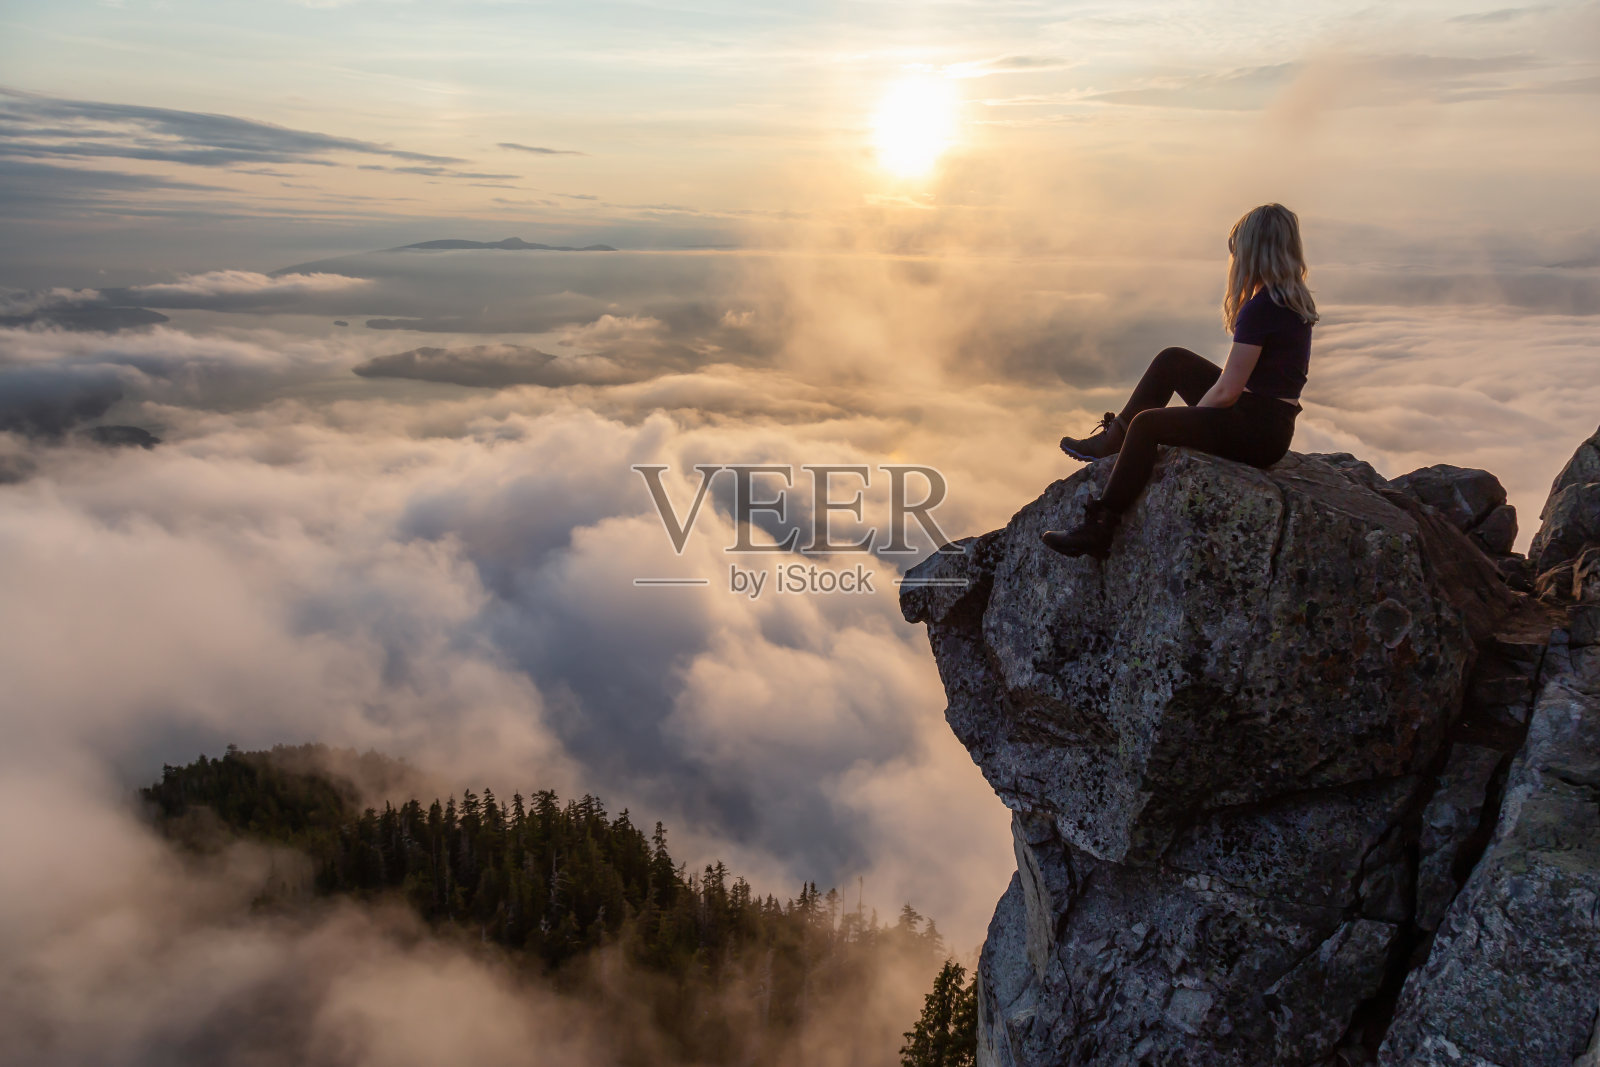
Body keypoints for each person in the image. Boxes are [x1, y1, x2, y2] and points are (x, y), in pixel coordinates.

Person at [1042, 203, 1318, 559]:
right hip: (1270, 426)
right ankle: (1114, 441)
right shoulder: (1288, 300)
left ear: (1253, 253)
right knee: (1172, 360)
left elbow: (1228, 391)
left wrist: (1192, 423)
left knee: (1147, 426)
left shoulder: (1262, 308)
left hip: (1255, 431)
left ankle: (1099, 527)